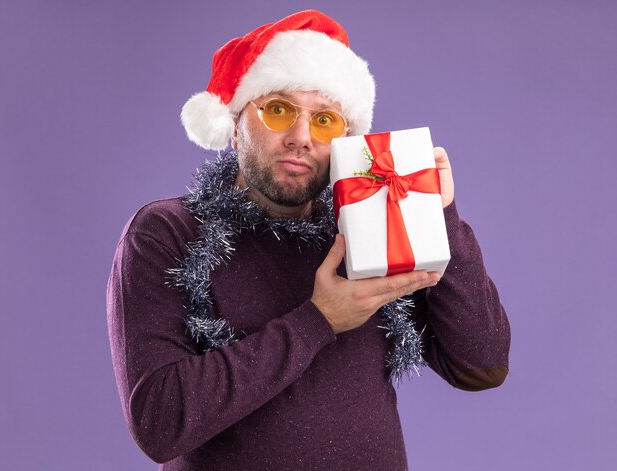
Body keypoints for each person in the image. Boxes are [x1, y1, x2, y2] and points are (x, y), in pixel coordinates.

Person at [107, 9, 510, 470]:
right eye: (278, 110)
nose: (301, 137)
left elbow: (481, 366)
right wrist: (319, 319)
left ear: (344, 140)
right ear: (236, 125)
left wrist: (439, 213)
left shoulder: (368, 227)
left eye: (324, 121)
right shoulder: (167, 231)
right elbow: (159, 423)